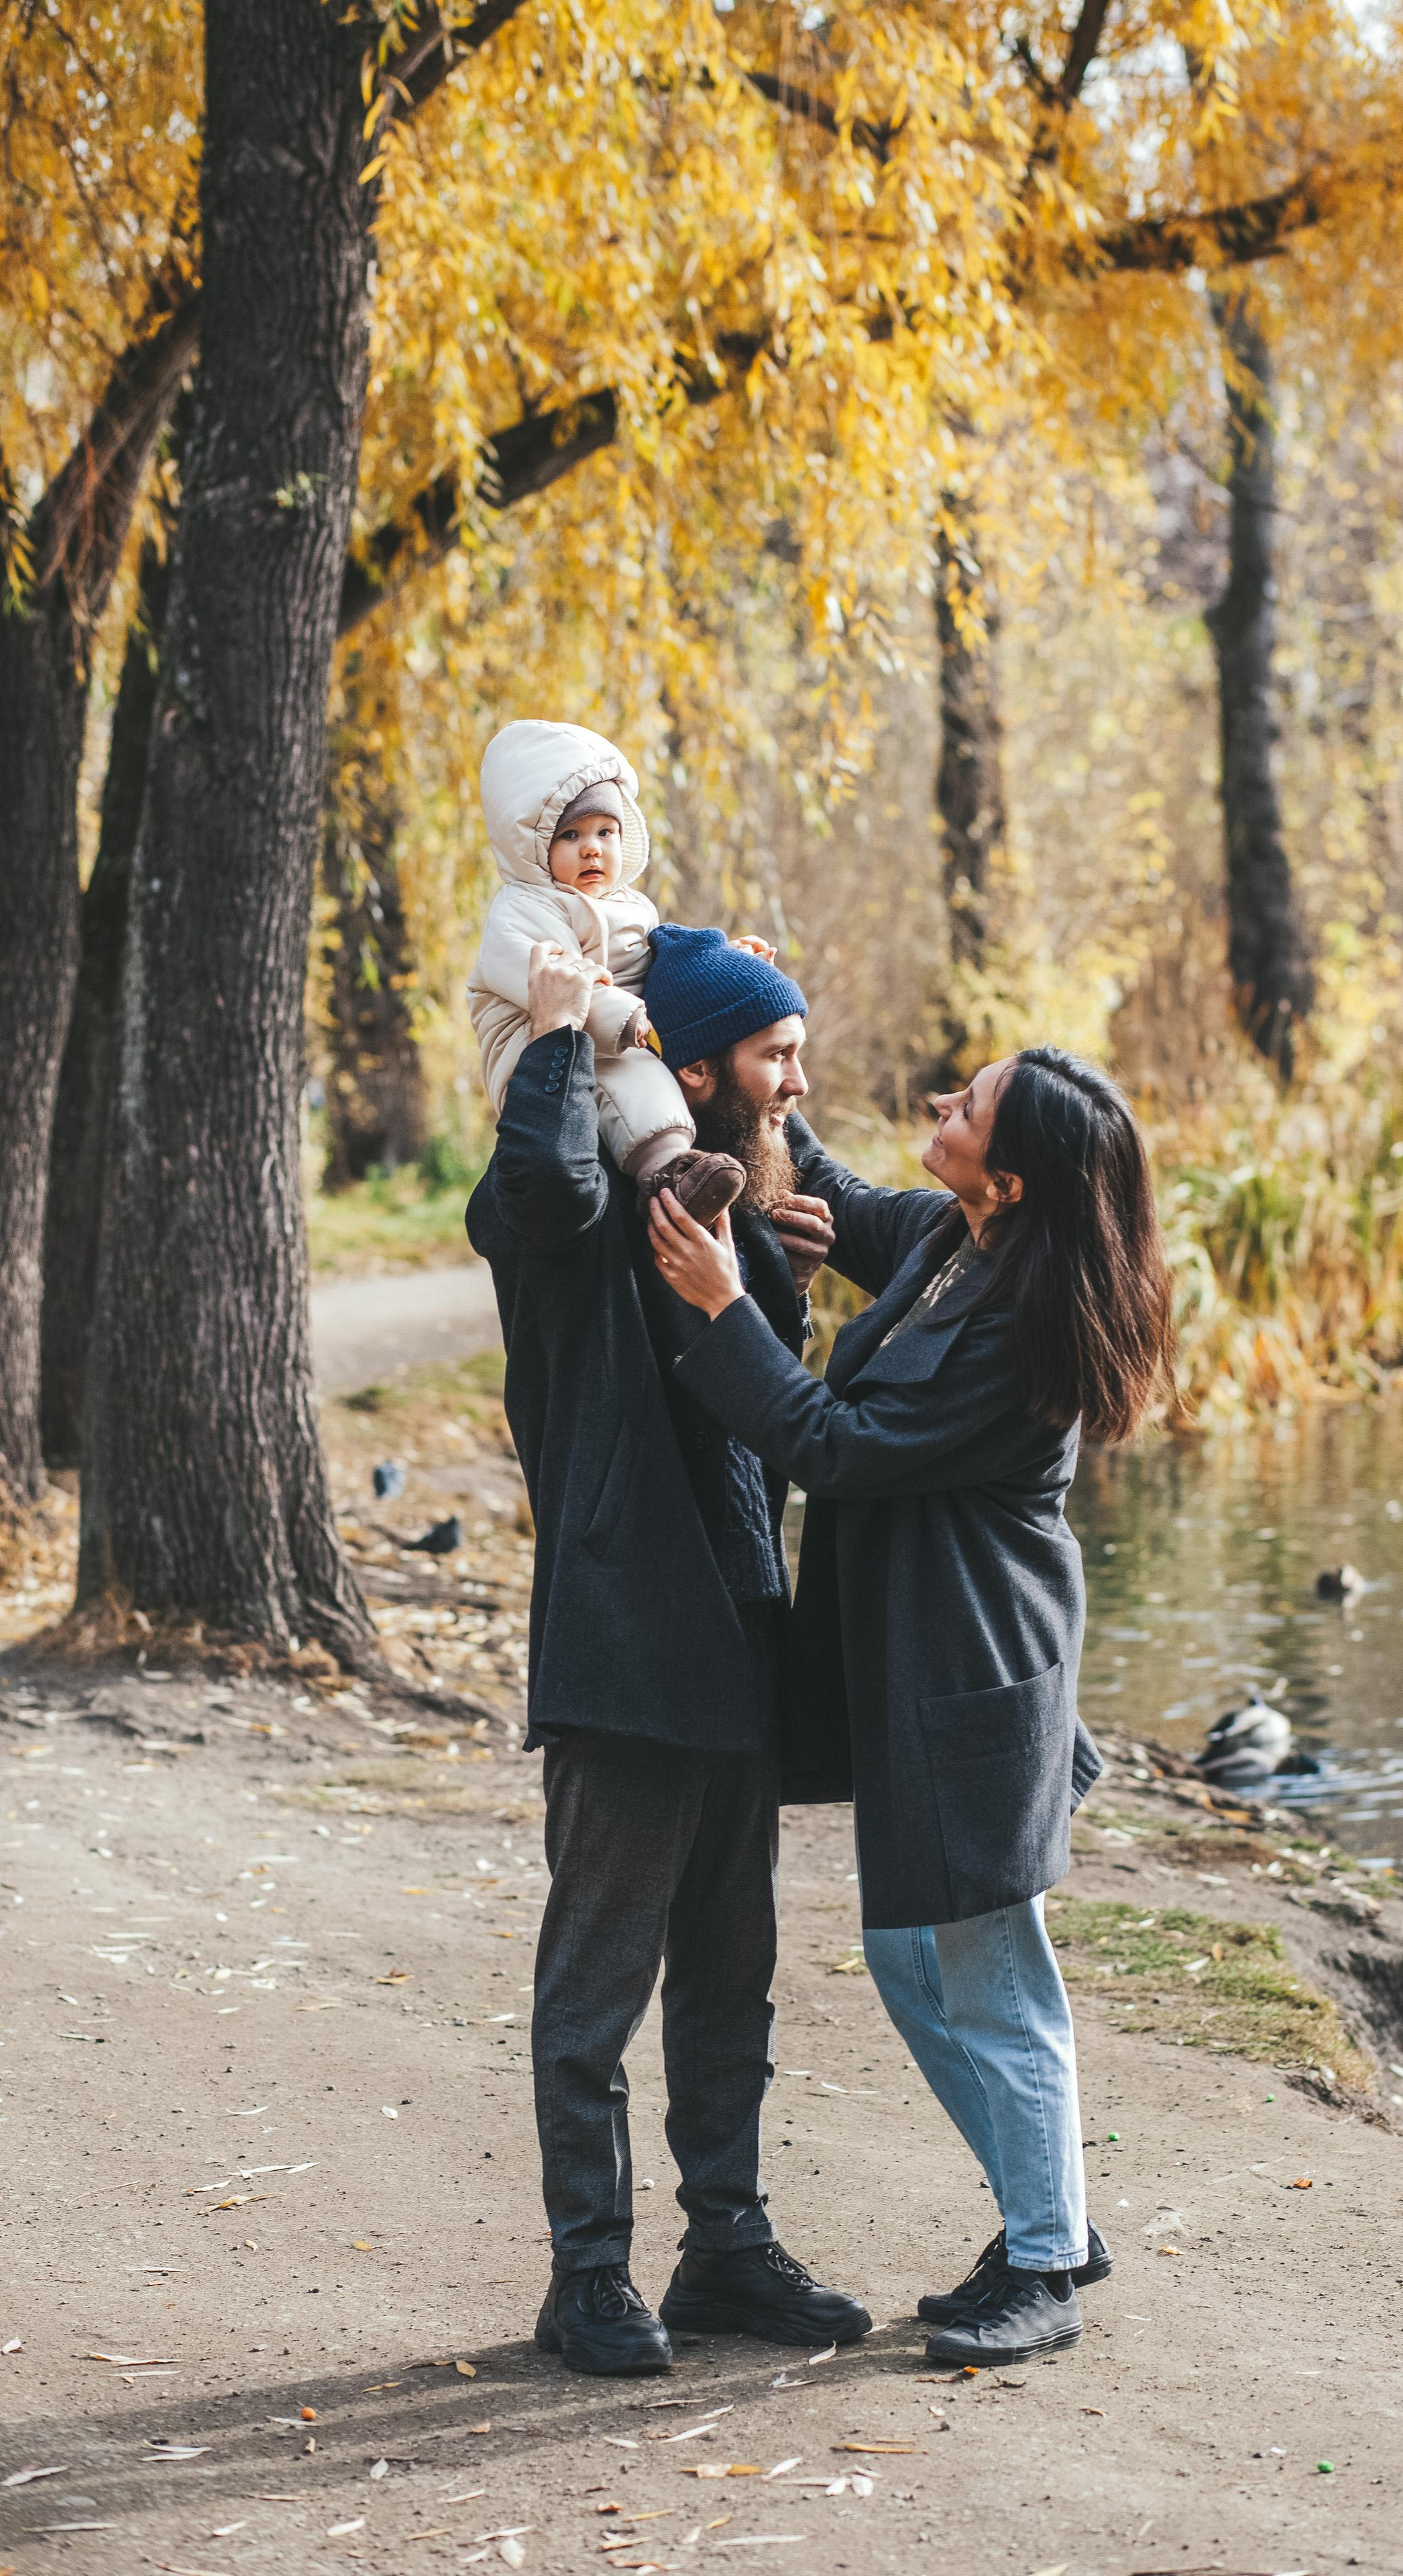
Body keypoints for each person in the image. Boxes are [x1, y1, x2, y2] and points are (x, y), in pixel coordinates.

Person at [647, 1049, 1175, 2367]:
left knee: (996, 1980)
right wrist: (772, 1080)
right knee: (909, 1960)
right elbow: (836, 1191)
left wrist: (724, 1312)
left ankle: (1046, 2265)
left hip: (975, 1682)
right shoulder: (961, 1237)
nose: (940, 1109)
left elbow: (834, 1446)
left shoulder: (1018, 1327)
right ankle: (1044, 2207)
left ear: (1008, 1177)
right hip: (918, 1674)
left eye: (966, 1110)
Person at [466, 930, 868, 2375]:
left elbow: (759, 1424)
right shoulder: (561, 1217)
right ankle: (586, 2279)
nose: (797, 1084)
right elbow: (543, 1182)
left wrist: (784, 1253)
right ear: (685, 1069)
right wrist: (569, 1036)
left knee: (727, 1974)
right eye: (775, 1058)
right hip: (624, 1649)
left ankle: (726, 2252)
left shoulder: (734, 1209)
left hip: (737, 1651)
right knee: (594, 1992)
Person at [466, 718, 779, 1224]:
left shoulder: (631, 905)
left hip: (626, 1029)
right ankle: (671, 1174)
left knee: (700, 1064)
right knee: (628, 1077)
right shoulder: (523, 908)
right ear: (531, 844)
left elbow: (662, 964)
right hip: (542, 1037)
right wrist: (624, 1016)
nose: (593, 848)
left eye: (605, 832)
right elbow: (552, 977)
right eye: (570, 835)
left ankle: (741, 1181)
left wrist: (726, 967)